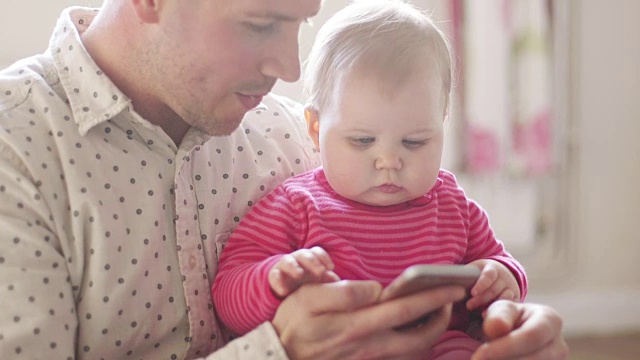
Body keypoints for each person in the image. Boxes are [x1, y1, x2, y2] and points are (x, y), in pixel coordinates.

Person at [0, 0, 568, 359]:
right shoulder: (18, 146)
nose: (290, 70)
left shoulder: (293, 133)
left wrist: (516, 324)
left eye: (298, 22)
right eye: (261, 23)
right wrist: (277, 350)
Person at [212, 1, 527, 358]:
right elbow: (228, 295)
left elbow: (500, 262)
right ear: (316, 129)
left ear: (442, 121)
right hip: (341, 349)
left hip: (440, 344)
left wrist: (500, 276)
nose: (389, 161)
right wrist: (274, 278)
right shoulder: (298, 206)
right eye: (363, 141)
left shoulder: (452, 204)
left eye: (414, 141)